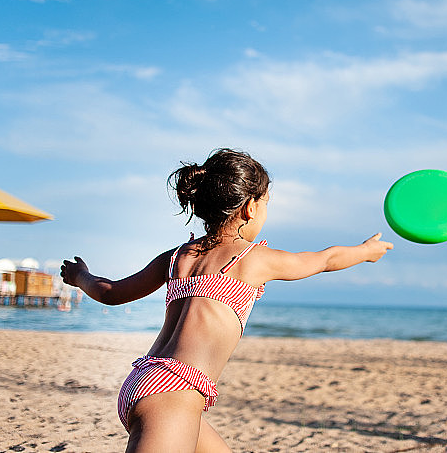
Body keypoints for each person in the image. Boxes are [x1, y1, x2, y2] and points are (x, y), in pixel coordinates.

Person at [60, 148, 393, 452]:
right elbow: (324, 259)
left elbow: (112, 293)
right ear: (250, 208)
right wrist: (365, 251)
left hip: (146, 383)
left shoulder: (177, 257)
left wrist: (80, 277)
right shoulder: (252, 259)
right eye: (265, 204)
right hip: (173, 396)